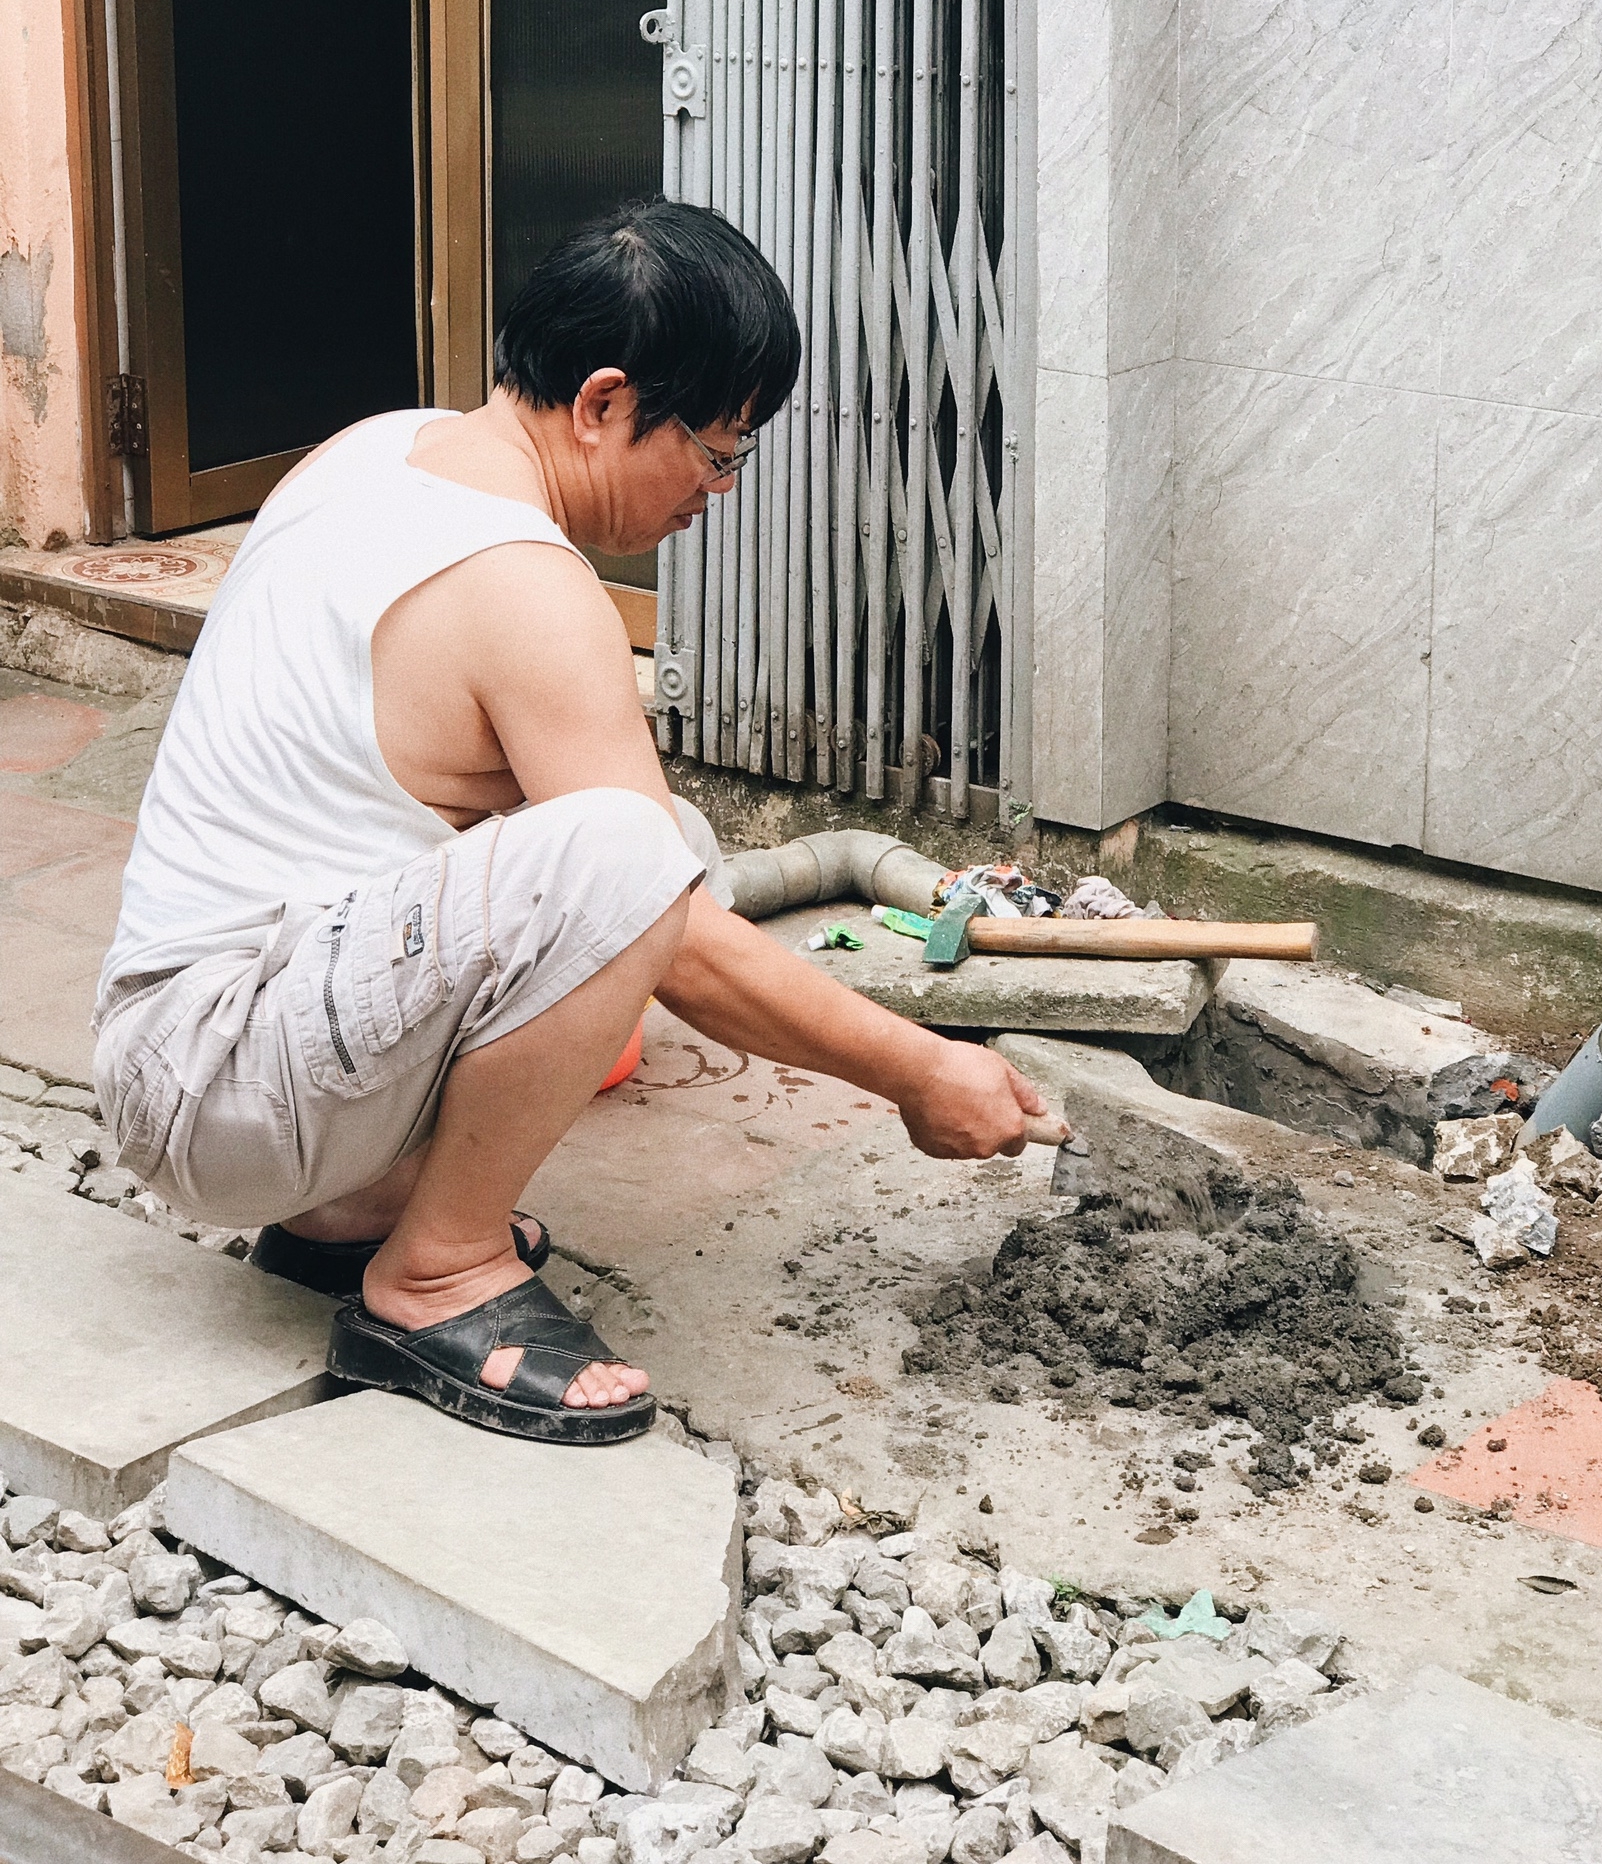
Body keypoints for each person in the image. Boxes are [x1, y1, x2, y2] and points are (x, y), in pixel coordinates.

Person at [94, 202, 1053, 1445]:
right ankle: (436, 1275)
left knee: (655, 842)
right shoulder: (528, 589)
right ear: (602, 402)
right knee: (630, 854)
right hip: (228, 1087)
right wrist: (921, 1072)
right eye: (717, 453)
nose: (716, 493)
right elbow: (670, 928)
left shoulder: (386, 448)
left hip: (180, 1044)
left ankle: (352, 1212)